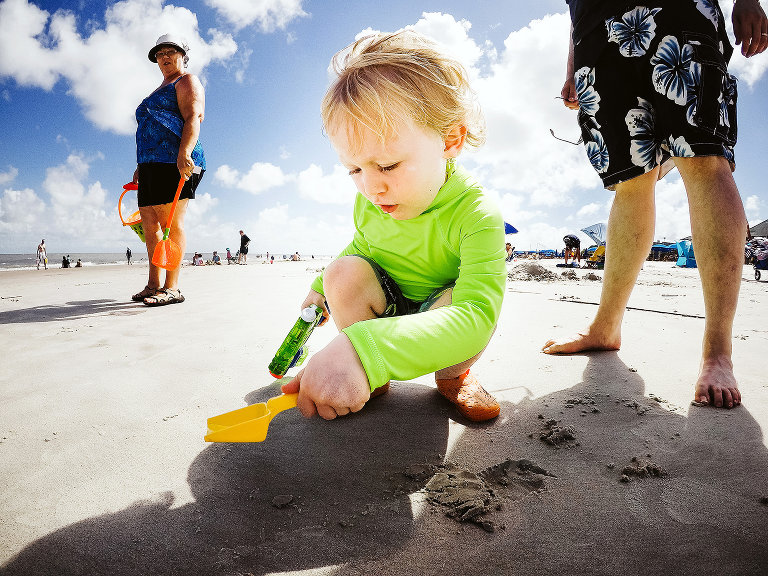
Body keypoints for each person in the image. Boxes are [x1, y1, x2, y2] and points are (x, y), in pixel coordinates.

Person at [544, 0, 768, 409]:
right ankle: (605, 327)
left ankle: (718, 350)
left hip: (678, 9)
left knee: (702, 155)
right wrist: (573, 62)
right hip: (595, 31)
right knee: (628, 180)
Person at [280, 31, 506, 422]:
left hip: (440, 311)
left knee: (460, 309)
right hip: (389, 304)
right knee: (342, 273)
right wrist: (319, 289)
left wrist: (361, 346)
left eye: (386, 165)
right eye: (354, 169)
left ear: (450, 139)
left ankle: (453, 377)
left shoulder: (478, 213)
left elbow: (477, 315)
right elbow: (361, 247)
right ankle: (372, 376)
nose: (371, 186)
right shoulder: (371, 201)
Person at [130, 33, 206, 307]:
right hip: (150, 164)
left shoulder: (186, 80)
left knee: (170, 223)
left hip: (175, 161)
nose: (163, 57)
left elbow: (193, 116)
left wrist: (184, 152)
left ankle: (172, 287)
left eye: (169, 52)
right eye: (159, 54)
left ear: (181, 55)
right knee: (150, 226)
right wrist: (141, 165)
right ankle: (153, 284)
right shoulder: (156, 90)